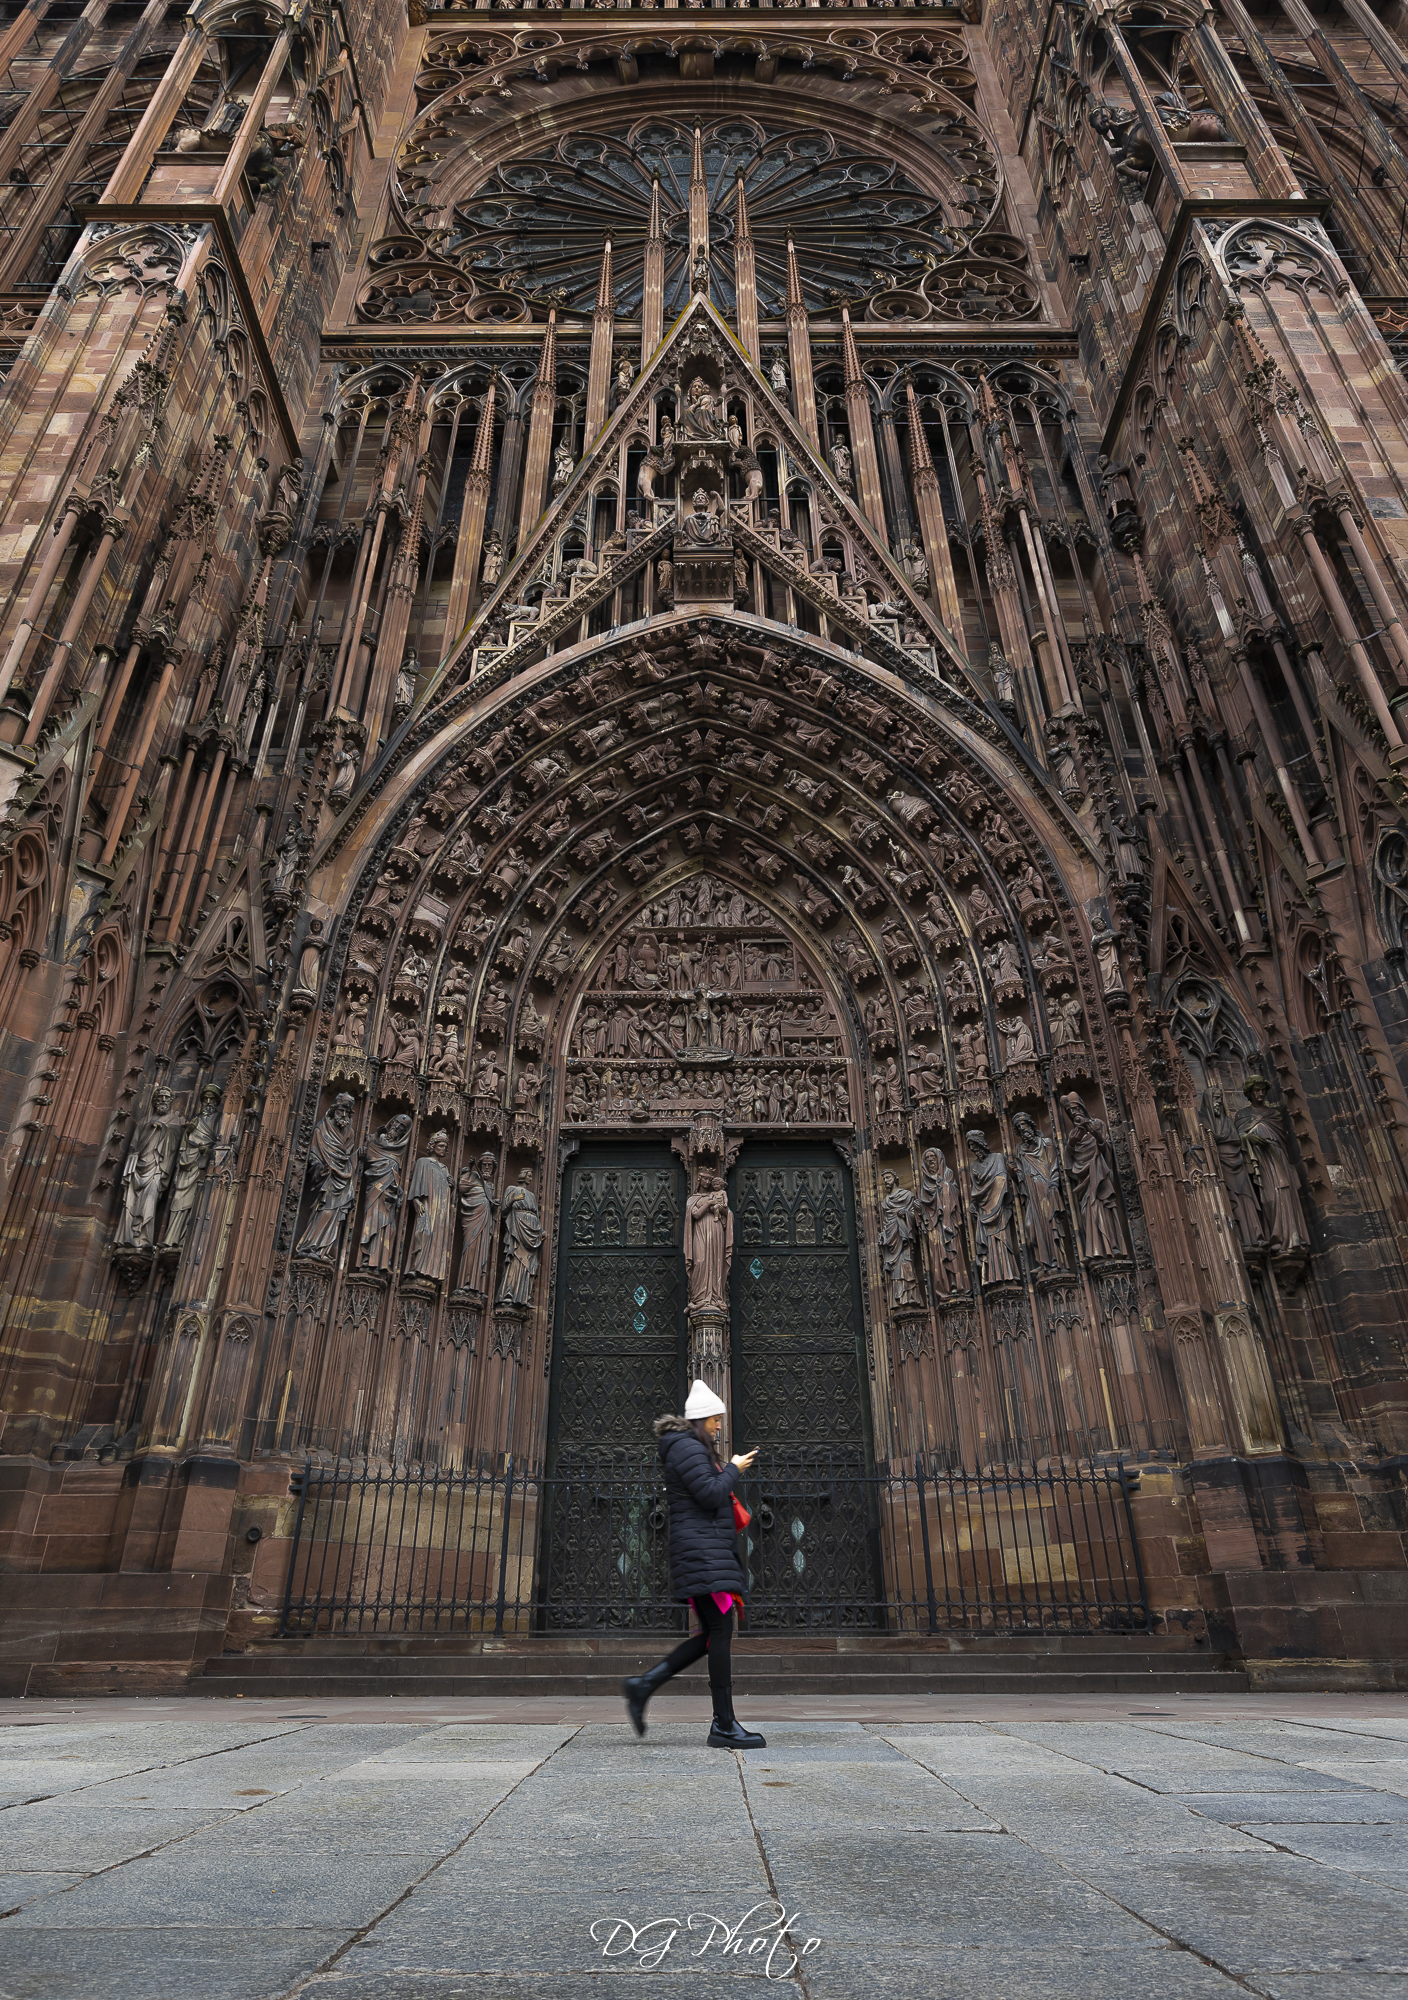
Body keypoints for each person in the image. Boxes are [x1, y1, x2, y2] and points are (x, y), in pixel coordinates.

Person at [622, 1380, 765, 1750]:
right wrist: (733, 1469)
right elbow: (710, 1493)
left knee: (712, 1633)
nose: (720, 1427)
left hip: (704, 1551)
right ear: (702, 1419)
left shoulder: (689, 1446)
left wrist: (727, 1469)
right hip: (702, 1553)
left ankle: (644, 1686)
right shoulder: (687, 1446)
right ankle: (723, 1724)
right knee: (719, 1631)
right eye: (716, 1420)